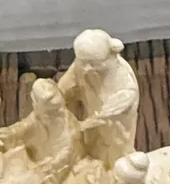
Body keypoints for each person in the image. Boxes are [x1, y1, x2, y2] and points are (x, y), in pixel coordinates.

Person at [58, 29, 138, 166]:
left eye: (93, 64)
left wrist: (78, 127)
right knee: (90, 149)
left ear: (111, 56)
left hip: (114, 132)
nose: (86, 68)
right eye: (83, 62)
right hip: (92, 126)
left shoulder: (125, 86)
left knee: (114, 161)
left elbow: (103, 117)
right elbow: (64, 87)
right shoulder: (82, 64)